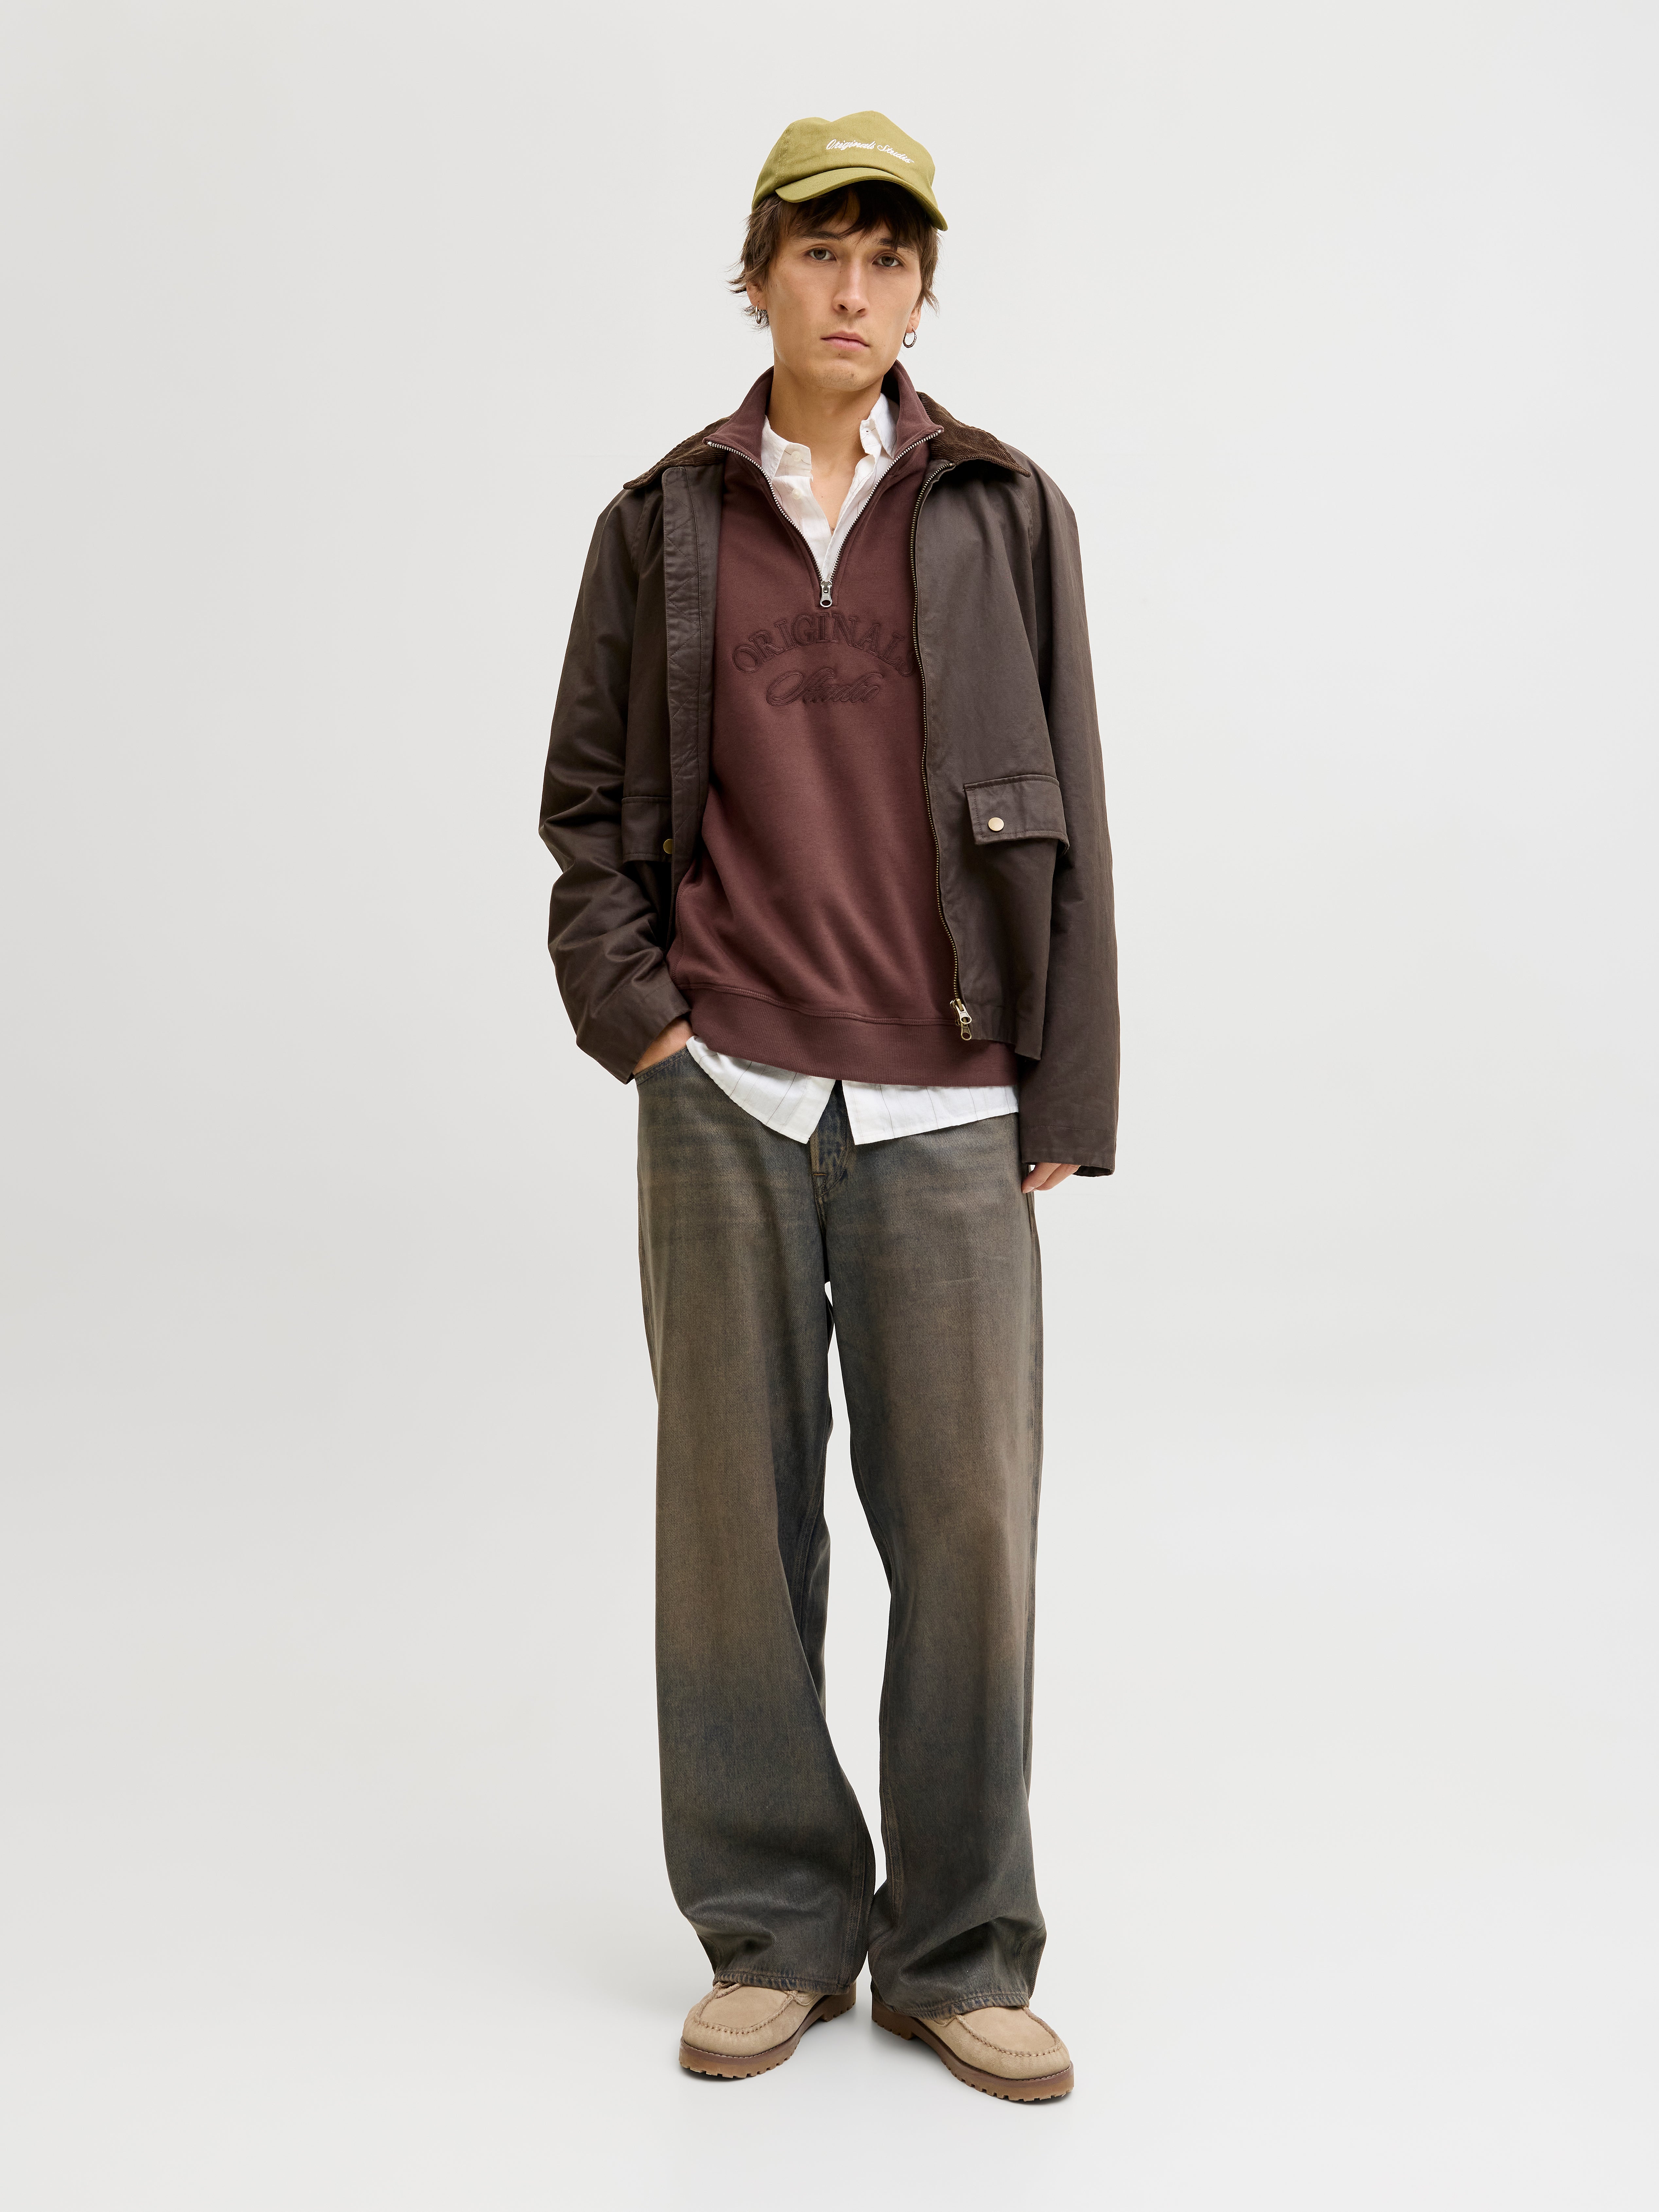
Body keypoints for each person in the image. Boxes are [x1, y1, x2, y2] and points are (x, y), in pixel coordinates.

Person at [539, 110, 1118, 2102]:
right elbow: (584, 808)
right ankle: (775, 1930)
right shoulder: (661, 522)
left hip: (952, 1102)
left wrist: (1067, 1084)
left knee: (969, 1536)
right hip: (727, 1088)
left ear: (922, 290)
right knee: (733, 1529)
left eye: (888, 258)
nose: (852, 290)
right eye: (819, 254)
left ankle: (957, 1946)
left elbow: (1079, 810)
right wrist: (643, 1027)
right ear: (760, 276)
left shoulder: (1004, 511)